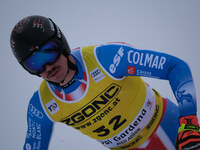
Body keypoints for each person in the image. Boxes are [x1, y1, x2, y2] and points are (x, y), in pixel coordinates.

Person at [10, 15, 200, 150]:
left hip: (172, 129)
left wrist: (189, 122)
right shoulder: (41, 105)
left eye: (48, 53)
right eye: (34, 63)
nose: (47, 67)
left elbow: (175, 67)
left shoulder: (106, 59)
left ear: (61, 44)